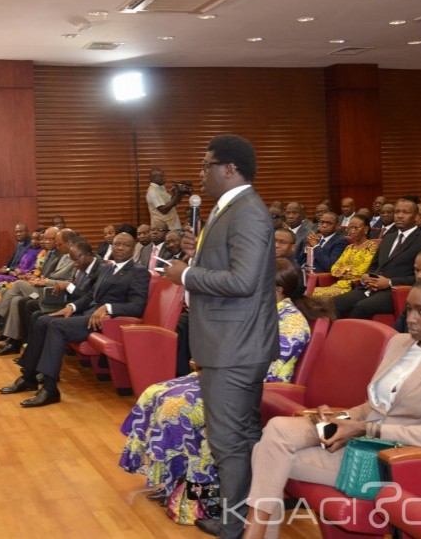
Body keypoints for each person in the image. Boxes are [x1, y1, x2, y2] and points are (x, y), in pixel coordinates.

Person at [243, 274, 421, 539]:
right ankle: (256, 534)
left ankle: (254, 534)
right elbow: (375, 406)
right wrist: (341, 416)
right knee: (277, 428)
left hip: (397, 459)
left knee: (266, 454)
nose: (411, 318)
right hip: (363, 439)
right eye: (408, 309)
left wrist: (365, 429)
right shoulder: (399, 343)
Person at [118, 259, 311, 526]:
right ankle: (174, 482)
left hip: (254, 389)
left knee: (176, 406)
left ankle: (201, 499)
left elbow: (265, 369)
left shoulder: (291, 323)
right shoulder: (260, 310)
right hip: (226, 378)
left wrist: (214, 364)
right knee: (155, 392)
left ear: (277, 290)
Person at [164, 133, 277, 539]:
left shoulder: (246, 211)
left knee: (229, 440)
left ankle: (236, 526)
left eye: (205, 165)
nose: (200, 174)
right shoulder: (229, 208)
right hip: (231, 342)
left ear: (229, 169)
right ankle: (243, 520)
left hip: (235, 346)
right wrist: (201, 256)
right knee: (240, 437)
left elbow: (243, 280)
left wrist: (187, 275)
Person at [0, 230, 148, 407]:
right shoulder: (108, 267)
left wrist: (108, 307)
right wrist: (71, 306)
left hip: (108, 322)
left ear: (133, 248)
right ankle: (29, 376)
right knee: (42, 320)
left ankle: (49, 388)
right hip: (88, 314)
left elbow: (137, 306)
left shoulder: (139, 272)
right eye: (117, 244)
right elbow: (91, 294)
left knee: (56, 326)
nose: (121, 248)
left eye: (126, 245)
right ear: (112, 246)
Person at [332, 197, 421, 319]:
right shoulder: (388, 238)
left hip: (396, 291)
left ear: (417, 217)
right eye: (397, 212)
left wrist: (390, 282)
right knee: (334, 303)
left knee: (361, 307)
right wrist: (366, 276)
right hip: (372, 288)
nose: (400, 216)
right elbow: (374, 265)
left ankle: (353, 337)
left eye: (406, 212)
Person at [310, 215, 380, 300]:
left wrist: (342, 271)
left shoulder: (371, 247)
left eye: (356, 228)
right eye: (350, 228)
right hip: (339, 284)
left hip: (355, 286)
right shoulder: (349, 247)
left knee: (316, 295)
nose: (352, 231)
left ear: (365, 229)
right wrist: (345, 271)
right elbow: (334, 268)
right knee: (311, 292)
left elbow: (361, 271)